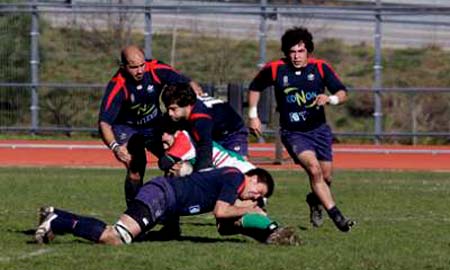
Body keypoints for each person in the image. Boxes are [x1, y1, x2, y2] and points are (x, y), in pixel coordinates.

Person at [247, 27, 354, 232]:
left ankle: (315, 201)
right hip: (293, 133)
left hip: (319, 130)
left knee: (326, 176)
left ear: (308, 51)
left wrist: (329, 99)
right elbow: (255, 87)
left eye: (300, 51)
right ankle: (337, 217)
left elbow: (342, 92)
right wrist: (253, 116)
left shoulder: (320, 68)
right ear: (286, 52)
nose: (296, 56)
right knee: (314, 169)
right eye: (292, 52)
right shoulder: (276, 68)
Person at [34, 167, 299, 245]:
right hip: (161, 196)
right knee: (115, 238)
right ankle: (56, 222)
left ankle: (55, 215)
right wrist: (250, 210)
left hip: (163, 197)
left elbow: (225, 226)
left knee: (117, 235)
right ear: (252, 178)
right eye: (257, 192)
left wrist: (266, 231)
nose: (253, 197)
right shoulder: (235, 178)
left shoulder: (232, 182)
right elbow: (221, 212)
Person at [98, 45, 203, 207]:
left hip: (154, 125)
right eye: (133, 67)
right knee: (136, 168)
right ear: (123, 67)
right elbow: (104, 123)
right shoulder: (117, 85)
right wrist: (115, 147)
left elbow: (187, 82)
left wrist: (195, 92)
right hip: (127, 129)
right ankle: (134, 214)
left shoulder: (155, 68)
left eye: (142, 65)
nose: (140, 71)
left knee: (173, 163)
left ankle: (171, 217)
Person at [161, 83, 249, 171]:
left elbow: (205, 147)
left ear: (187, 104)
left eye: (173, 109)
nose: (170, 113)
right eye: (168, 109)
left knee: (237, 171)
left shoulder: (200, 118)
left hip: (233, 133)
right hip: (214, 131)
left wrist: (202, 174)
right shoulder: (186, 107)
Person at [158, 129, 255, 177]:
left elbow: (164, 163)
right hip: (232, 172)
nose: (164, 147)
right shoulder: (186, 137)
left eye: (165, 141)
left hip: (243, 173)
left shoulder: (183, 139)